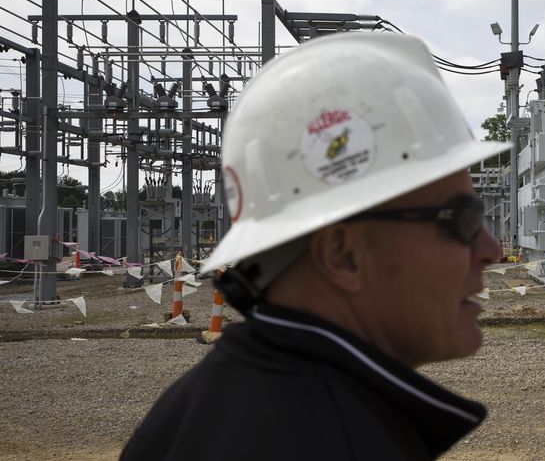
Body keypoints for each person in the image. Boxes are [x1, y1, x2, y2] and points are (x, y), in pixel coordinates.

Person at [120, 32, 510, 460]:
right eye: (464, 219)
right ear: (343, 255)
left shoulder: (207, 407)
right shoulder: (344, 442)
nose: (492, 250)